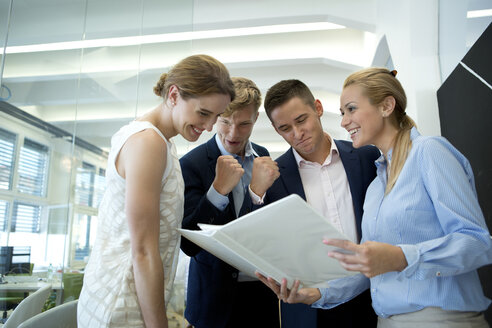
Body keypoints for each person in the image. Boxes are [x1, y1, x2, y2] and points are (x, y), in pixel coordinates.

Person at [262, 68, 492, 328]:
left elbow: (477, 242)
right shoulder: (377, 183)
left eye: (351, 109)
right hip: (386, 321)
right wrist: (317, 294)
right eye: (342, 113)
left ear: (386, 106)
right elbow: (370, 266)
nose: (344, 121)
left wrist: (401, 257)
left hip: (439, 319)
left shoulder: (429, 152)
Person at [77, 54, 235, 328]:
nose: (209, 126)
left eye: (216, 116)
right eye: (203, 113)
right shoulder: (148, 142)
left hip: (129, 295)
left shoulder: (158, 141)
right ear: (174, 94)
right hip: (122, 301)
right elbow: (143, 250)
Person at [249, 79, 380, 328]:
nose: (297, 134)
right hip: (309, 308)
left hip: (371, 297)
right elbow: (260, 243)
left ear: (318, 108)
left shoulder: (366, 156)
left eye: (301, 120)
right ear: (277, 130)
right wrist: (255, 193)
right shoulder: (272, 178)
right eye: (285, 128)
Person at [180, 77, 280, 328]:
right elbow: (188, 244)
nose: (233, 134)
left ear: (256, 119)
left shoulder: (264, 156)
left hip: (261, 296)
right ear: (215, 117)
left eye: (244, 123)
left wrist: (257, 195)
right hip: (212, 301)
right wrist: (218, 190)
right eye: (225, 122)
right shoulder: (191, 164)